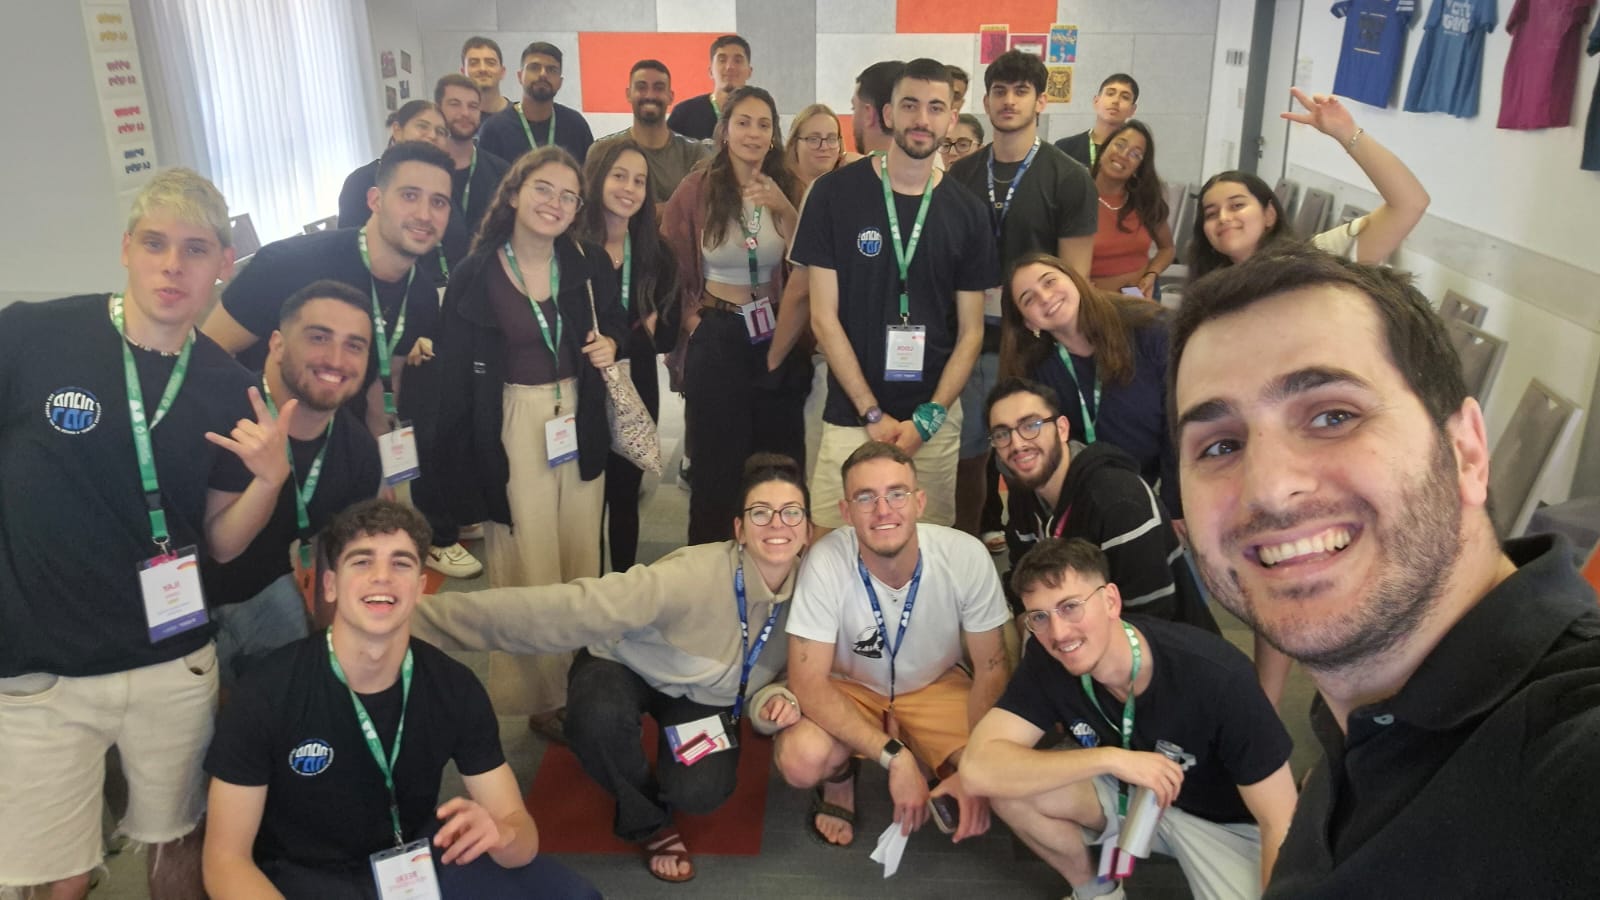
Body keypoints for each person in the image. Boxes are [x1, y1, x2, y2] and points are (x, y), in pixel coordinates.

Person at [1169, 244, 1600, 895]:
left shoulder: (1571, 755)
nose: (1269, 488)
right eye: (1220, 445)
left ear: (1466, 452)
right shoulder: (1355, 725)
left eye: (1333, 416)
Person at [0, 169, 290, 900]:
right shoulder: (32, 335)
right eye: (155, 244)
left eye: (195, 249)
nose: (172, 266)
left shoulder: (227, 385)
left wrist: (268, 481)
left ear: (224, 264)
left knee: (178, 843)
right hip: (41, 668)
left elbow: (221, 542)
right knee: (54, 874)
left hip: (172, 660)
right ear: (127, 248)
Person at [410, 454, 812, 883]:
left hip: (706, 698)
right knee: (596, 718)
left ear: (808, 530)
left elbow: (787, 677)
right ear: (740, 530)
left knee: (700, 792)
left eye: (791, 512)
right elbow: (566, 609)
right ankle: (648, 821)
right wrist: (418, 618)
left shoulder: (812, 594)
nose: (777, 524)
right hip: (627, 665)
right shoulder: (691, 576)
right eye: (760, 512)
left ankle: (655, 777)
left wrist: (773, 700)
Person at [201, 499, 600, 899]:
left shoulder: (453, 686)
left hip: (414, 861)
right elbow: (225, 860)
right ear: (330, 585)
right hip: (304, 874)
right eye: (362, 561)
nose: (382, 577)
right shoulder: (266, 693)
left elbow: (520, 834)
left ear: (420, 587)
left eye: (401, 563)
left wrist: (502, 835)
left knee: (573, 895)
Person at [203, 140, 482, 580]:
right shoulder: (290, 265)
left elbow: (383, 387)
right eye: (410, 195)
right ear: (374, 199)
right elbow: (207, 354)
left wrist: (384, 476)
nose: (425, 214)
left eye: (439, 202)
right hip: (254, 453)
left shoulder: (421, 295)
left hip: (337, 460)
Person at [962, 538, 1298, 900]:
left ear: (1110, 601)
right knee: (1009, 789)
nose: (1058, 633)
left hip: (1223, 825)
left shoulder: (1218, 676)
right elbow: (977, 769)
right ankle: (1096, 892)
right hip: (1127, 789)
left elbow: (1280, 820)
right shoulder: (1048, 661)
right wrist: (1112, 759)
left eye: (1070, 607)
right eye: (1039, 617)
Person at [426, 145, 626, 737]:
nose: (555, 204)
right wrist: (456, 473)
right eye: (543, 189)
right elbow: (454, 381)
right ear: (513, 193)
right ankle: (539, 696)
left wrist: (612, 343)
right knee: (527, 560)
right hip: (512, 420)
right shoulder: (475, 273)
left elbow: (616, 320)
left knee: (580, 554)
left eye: (569, 196)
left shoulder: (587, 261)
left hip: (577, 414)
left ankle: (583, 678)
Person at [775, 442, 1012, 848]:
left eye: (897, 494)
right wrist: (894, 756)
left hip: (935, 684)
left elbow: (991, 668)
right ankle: (843, 776)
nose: (883, 510)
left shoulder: (965, 555)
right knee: (801, 760)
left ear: (919, 501)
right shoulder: (826, 559)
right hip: (852, 687)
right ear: (846, 512)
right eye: (866, 498)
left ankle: (930, 752)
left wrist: (975, 768)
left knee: (1001, 778)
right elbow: (808, 682)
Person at [792, 58, 994, 533]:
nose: (922, 119)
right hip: (852, 412)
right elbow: (823, 317)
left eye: (936, 108)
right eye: (910, 105)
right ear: (887, 113)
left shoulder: (969, 212)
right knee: (832, 543)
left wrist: (930, 417)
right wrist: (871, 411)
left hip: (933, 417)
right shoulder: (832, 195)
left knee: (927, 545)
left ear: (951, 118)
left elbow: (971, 332)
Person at [947, 49, 1098, 546]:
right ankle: (968, 547)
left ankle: (1040, 550)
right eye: (999, 91)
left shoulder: (1069, 177)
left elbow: (1075, 279)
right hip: (970, 337)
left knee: (1031, 457)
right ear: (986, 100)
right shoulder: (962, 174)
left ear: (1040, 101)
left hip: (1035, 342)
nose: (1009, 101)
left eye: (1021, 91)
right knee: (969, 456)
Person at [204, 280, 383, 688]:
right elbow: (220, 547)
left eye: (354, 345)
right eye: (319, 337)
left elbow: (335, 562)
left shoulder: (358, 453)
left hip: (264, 587)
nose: (336, 359)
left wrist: (331, 652)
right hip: (173, 601)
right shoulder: (216, 408)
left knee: (298, 693)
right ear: (278, 345)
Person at [663, 86, 809, 545]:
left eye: (764, 124)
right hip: (718, 328)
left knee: (778, 460)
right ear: (724, 130)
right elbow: (669, 263)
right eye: (743, 122)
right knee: (715, 468)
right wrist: (693, 322)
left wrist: (785, 208)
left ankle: (775, 557)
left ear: (774, 135)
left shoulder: (787, 185)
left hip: (775, 332)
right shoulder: (697, 188)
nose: (753, 133)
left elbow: (810, 260)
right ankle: (709, 565)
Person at [986, 377, 1215, 632]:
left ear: (1062, 429)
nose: (1017, 444)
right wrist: (1031, 635)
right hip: (1069, 633)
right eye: (1002, 434)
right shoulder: (1023, 494)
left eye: (1031, 425)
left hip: (1154, 646)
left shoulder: (1119, 501)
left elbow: (1150, 621)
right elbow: (1022, 581)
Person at [1002, 253, 1181, 520]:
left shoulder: (1150, 329)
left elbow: (1179, 424)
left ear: (1075, 279)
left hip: (1168, 485)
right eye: (1029, 299)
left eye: (1049, 282)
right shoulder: (1036, 370)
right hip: (1094, 495)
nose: (1045, 297)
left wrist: (1175, 507)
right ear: (1028, 322)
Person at [1189, 87, 1429, 280]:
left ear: (1269, 215)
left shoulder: (1315, 261)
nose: (1223, 218)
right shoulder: (1210, 290)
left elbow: (1409, 204)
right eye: (1211, 214)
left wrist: (1347, 133)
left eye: (1237, 205)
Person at [576, 138, 678, 570]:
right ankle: (584, 588)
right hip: (581, 383)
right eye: (619, 176)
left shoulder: (657, 253)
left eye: (639, 181)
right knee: (584, 497)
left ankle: (621, 586)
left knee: (625, 494)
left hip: (636, 382)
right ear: (597, 178)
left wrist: (631, 336)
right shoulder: (571, 247)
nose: (629, 188)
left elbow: (667, 337)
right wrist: (639, 325)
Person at [335, 102, 469, 287]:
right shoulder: (361, 181)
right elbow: (352, 250)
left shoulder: (445, 183)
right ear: (397, 130)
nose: (432, 135)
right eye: (422, 126)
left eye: (440, 132)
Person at [588, 59, 710, 206]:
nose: (650, 95)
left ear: (670, 96)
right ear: (628, 94)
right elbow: (592, 208)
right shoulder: (602, 151)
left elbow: (701, 209)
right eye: (641, 87)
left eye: (658, 88)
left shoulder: (694, 153)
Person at [1088, 120, 1174, 298]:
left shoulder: (1144, 202)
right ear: (1103, 149)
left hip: (1138, 297)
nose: (1123, 155)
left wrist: (1152, 274)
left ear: (1137, 168)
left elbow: (1167, 249)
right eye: (1120, 145)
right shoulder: (1075, 195)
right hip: (1093, 301)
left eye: (1135, 154)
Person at [477, 41, 595, 165]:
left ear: (560, 82)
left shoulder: (576, 125)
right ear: (520, 76)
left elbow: (591, 174)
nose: (543, 74)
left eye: (551, 69)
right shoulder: (494, 129)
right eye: (534, 68)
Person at [435, 73, 512, 235]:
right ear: (438, 109)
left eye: (473, 106)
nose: (465, 113)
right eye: (455, 104)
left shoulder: (502, 172)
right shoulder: (423, 170)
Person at [668, 34, 753, 140]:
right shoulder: (684, 113)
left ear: (749, 72)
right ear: (710, 71)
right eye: (722, 60)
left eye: (738, 61)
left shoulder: (760, 113)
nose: (729, 67)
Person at [1055, 74, 1139, 169]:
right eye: (1110, 94)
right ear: (1096, 102)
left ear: (1132, 110)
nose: (1116, 101)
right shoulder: (1064, 148)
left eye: (1125, 97)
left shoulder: (1134, 154)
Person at [784, 103, 844, 189]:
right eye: (814, 139)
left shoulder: (850, 186)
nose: (824, 147)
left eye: (832, 139)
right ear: (794, 143)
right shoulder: (776, 188)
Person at [461, 35, 510, 117]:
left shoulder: (522, 117)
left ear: (502, 72)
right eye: (474, 63)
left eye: (490, 63)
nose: (482, 69)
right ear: (463, 73)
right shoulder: (453, 120)